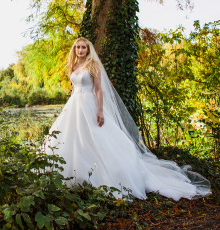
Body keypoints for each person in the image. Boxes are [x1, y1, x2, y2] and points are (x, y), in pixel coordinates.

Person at [42, 37, 211, 201]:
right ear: (75, 49)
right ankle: (72, 176)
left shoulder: (93, 65)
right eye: (77, 47)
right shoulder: (73, 66)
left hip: (89, 104)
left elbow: (99, 90)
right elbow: (74, 89)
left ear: (88, 49)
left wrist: (100, 110)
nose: (80, 50)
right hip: (74, 105)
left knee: (96, 138)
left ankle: (104, 176)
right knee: (71, 139)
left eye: (83, 47)